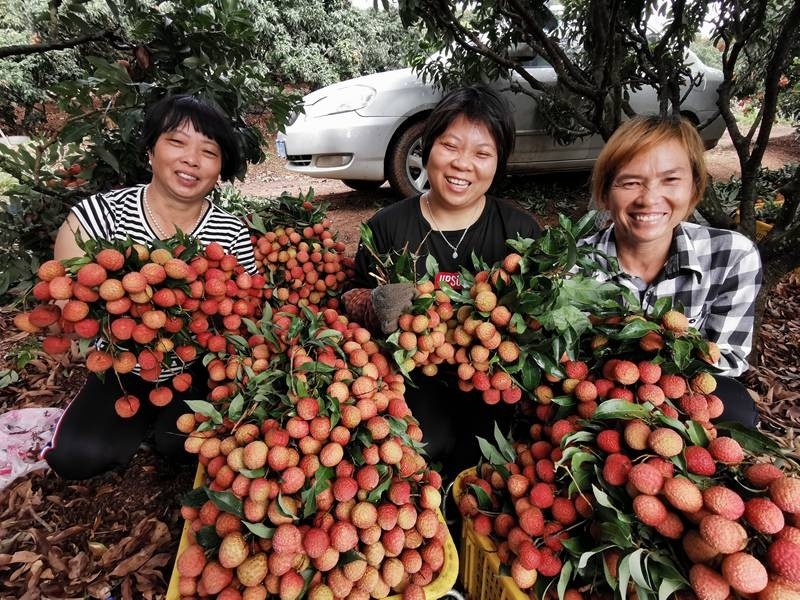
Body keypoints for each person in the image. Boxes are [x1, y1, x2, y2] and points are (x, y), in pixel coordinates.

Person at [43, 94, 259, 479]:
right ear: (150, 150)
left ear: (221, 166)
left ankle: (160, 428)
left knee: (182, 445)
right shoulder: (97, 216)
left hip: (192, 363)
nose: (191, 159)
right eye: (176, 142)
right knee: (76, 458)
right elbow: (67, 303)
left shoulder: (232, 232)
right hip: (118, 363)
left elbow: (242, 310)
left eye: (208, 151)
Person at [344, 85, 541, 480]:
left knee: (485, 462)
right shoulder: (386, 228)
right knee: (423, 448)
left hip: (491, 384)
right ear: (427, 147)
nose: (462, 164)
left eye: (482, 153)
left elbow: (538, 325)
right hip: (410, 380)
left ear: (498, 163)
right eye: (450, 146)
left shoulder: (520, 234)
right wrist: (377, 305)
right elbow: (350, 303)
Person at [583, 115, 762, 426]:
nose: (649, 198)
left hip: (684, 395)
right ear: (605, 193)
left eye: (670, 180)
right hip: (600, 395)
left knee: (734, 406)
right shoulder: (573, 267)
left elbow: (726, 361)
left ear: (694, 188)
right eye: (631, 181)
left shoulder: (732, 256)